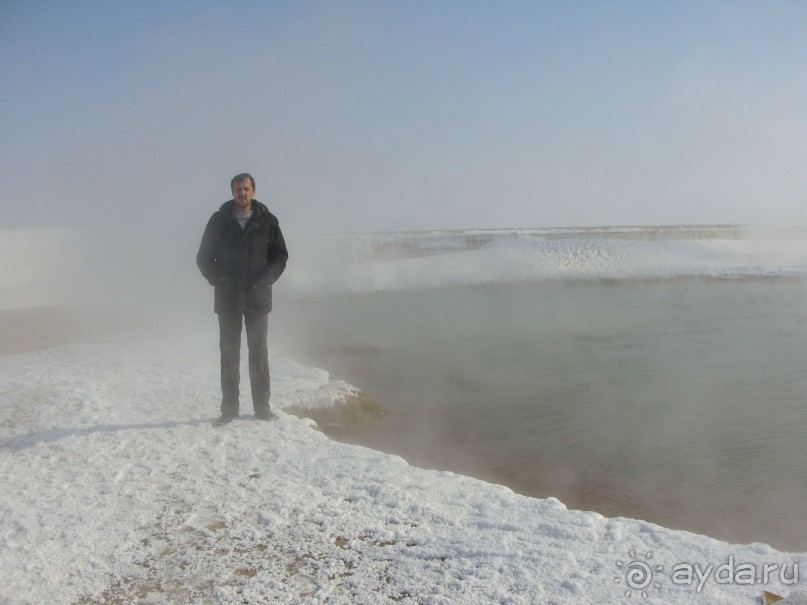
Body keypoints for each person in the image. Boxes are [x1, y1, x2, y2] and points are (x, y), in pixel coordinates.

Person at [196, 173, 288, 426]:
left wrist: (265, 280)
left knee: (258, 353)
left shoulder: (267, 220)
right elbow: (204, 257)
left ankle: (262, 407)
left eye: (246, 189)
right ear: (232, 192)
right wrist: (219, 280)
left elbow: (280, 255)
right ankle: (229, 409)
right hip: (228, 298)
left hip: (257, 298)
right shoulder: (218, 220)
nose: (242, 193)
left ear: (253, 191)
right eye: (238, 189)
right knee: (229, 353)